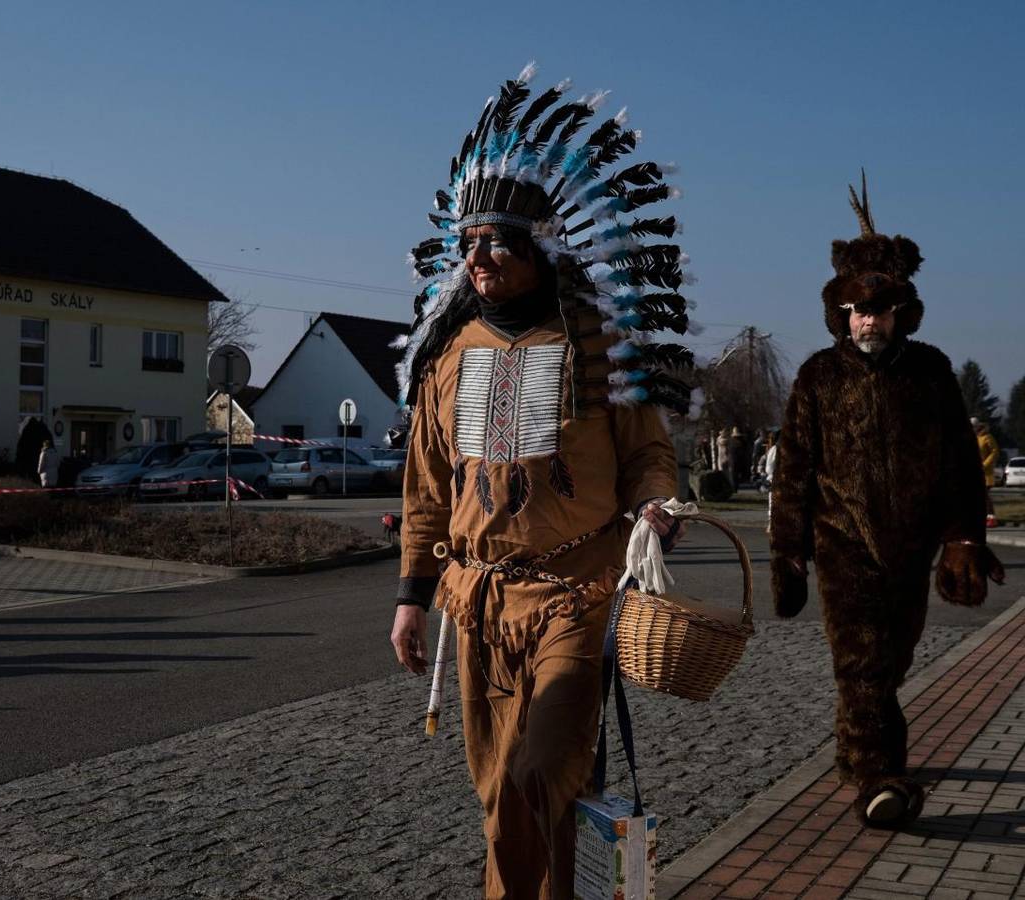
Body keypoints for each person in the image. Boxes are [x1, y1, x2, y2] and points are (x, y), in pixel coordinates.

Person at [388, 64, 695, 899]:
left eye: (496, 240)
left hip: (575, 595)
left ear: (541, 246)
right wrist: (412, 598)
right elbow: (427, 491)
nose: (478, 256)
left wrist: (655, 507)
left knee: (541, 772)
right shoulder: (448, 357)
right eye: (469, 242)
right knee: (500, 796)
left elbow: (646, 453)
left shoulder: (598, 344)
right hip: (478, 601)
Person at [770, 173, 1005, 829]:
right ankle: (881, 779)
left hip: (911, 546)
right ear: (841, 313)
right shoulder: (818, 376)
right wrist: (788, 552)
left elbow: (960, 465)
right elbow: (794, 470)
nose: (867, 321)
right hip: (842, 546)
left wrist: (964, 539)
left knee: (891, 662)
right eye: (856, 311)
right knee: (863, 666)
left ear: (901, 312)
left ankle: (856, 750)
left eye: (878, 311)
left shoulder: (930, 372)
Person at [973, 419, 1000, 527]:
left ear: (978, 426)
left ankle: (991, 518)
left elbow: (995, 452)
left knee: (984, 496)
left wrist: (985, 464)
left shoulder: (987, 437)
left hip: (985, 473)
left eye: (973, 426)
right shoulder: (972, 438)